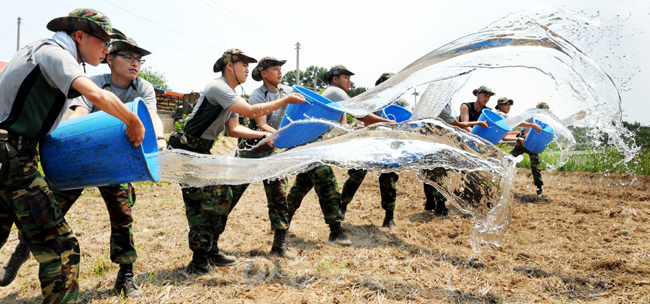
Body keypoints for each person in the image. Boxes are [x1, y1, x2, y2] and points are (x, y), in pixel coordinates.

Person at [0, 8, 145, 304]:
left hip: (11, 153)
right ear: (79, 36)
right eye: (103, 41)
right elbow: (92, 97)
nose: (107, 48)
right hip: (13, 154)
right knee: (59, 248)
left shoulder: (39, 51)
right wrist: (132, 120)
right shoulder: (55, 54)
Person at [167, 49, 305, 275]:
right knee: (201, 205)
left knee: (223, 195)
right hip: (186, 149)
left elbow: (233, 130)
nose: (247, 70)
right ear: (229, 66)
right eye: (243, 64)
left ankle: (210, 249)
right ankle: (199, 261)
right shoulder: (218, 87)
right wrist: (287, 99)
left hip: (201, 150)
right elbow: (251, 112)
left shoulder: (230, 93)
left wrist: (264, 135)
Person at [286, 65, 391, 244]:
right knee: (328, 184)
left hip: (308, 143)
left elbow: (341, 123)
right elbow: (359, 114)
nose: (349, 81)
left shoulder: (334, 96)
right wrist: (387, 122)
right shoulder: (336, 92)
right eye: (346, 77)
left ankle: (281, 223)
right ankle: (335, 232)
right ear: (335, 79)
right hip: (310, 144)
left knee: (301, 186)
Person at [233, 56, 296, 259]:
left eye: (280, 68)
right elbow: (262, 124)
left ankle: (279, 245)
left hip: (273, 148)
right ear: (264, 73)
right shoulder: (258, 95)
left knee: (279, 196)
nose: (280, 72)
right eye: (275, 69)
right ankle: (211, 244)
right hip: (251, 150)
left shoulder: (289, 92)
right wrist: (277, 136)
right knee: (231, 193)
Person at [339, 72, 407, 228]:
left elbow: (407, 119)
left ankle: (389, 217)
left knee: (389, 179)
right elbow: (365, 118)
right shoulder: (373, 100)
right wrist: (385, 122)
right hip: (369, 143)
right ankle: (342, 206)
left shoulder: (401, 102)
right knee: (356, 174)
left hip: (389, 146)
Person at [422, 102, 488, 215]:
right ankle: (441, 206)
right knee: (439, 175)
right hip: (437, 144)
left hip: (426, 143)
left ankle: (430, 203)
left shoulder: (429, 104)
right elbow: (456, 124)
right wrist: (478, 123)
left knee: (428, 173)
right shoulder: (441, 107)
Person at [509, 102, 549, 195]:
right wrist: (526, 143)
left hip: (535, 144)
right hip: (524, 141)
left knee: (535, 165)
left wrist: (538, 149)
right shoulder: (530, 118)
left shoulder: (546, 121)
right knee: (509, 159)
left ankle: (539, 187)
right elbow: (526, 132)